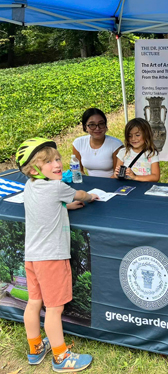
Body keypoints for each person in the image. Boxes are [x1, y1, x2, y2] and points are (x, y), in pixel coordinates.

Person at [15, 137, 99, 372]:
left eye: (57, 158)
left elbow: (47, 205)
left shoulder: (30, 185)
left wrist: (64, 205)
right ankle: (61, 357)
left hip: (32, 257)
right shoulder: (57, 187)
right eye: (49, 161)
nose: (57, 163)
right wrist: (90, 197)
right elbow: (80, 194)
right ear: (34, 169)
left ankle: (35, 348)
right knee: (54, 309)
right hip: (52, 258)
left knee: (34, 303)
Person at [72, 108, 123, 178]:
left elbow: (117, 174)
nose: (97, 128)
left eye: (101, 124)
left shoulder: (116, 145)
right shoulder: (78, 143)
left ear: (106, 125)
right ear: (85, 127)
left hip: (111, 183)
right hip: (90, 184)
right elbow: (78, 171)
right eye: (92, 125)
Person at [112, 118, 160, 182]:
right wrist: (117, 175)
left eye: (137, 135)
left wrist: (135, 177)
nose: (133, 138)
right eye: (129, 136)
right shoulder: (123, 152)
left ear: (146, 135)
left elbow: (155, 177)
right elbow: (118, 174)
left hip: (144, 188)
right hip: (126, 187)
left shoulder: (152, 154)